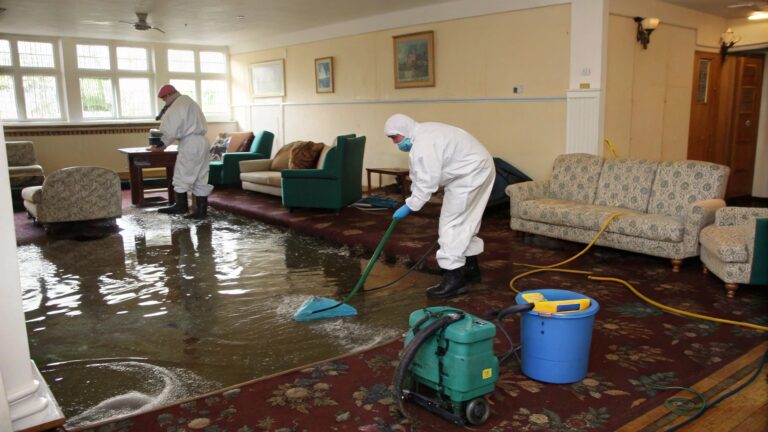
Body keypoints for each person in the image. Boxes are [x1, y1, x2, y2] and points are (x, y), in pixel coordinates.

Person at [384, 113, 495, 299]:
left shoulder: (424, 144)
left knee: (451, 224)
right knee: (466, 221)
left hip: (471, 174)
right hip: (478, 168)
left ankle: (454, 281)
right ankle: (469, 269)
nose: (395, 143)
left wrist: (411, 205)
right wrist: (412, 198)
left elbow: (427, 181)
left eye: (395, 138)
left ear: (404, 131)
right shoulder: (423, 133)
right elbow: (419, 175)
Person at [153, 84, 213, 219]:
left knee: (182, 175)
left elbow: (170, 128)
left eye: (164, 99)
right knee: (201, 177)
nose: (164, 102)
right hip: (203, 142)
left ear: (168, 95)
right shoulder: (189, 102)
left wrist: (161, 144)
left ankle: (181, 206)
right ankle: (201, 211)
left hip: (190, 143)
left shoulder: (178, 105)